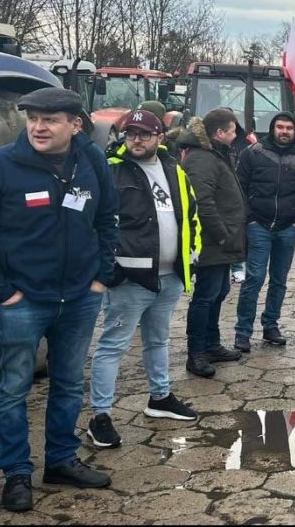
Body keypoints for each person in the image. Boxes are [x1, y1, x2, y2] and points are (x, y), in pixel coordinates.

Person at [0, 87, 120, 512]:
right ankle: (16, 472)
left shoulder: (92, 161)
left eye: (49, 119)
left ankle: (61, 460)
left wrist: (101, 277)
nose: (38, 126)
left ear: (75, 124)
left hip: (80, 298)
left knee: (68, 383)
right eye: (32, 118)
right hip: (23, 300)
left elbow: (107, 218)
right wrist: (2, 292)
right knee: (13, 387)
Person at [88, 110, 201, 450]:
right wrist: (108, 271)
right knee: (112, 346)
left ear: (159, 138)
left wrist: (191, 259)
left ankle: (160, 397)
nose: (136, 139)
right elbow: (95, 224)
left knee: (159, 339)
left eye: (144, 134)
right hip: (129, 279)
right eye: (131, 133)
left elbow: (191, 214)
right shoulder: (110, 171)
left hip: (170, 276)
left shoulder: (174, 169)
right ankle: (101, 416)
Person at [234, 112, 295, 353]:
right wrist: (248, 219)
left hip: (287, 228)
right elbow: (240, 186)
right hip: (258, 225)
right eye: (279, 127)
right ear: (272, 129)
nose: (284, 131)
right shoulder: (254, 153)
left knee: (279, 281)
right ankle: (243, 331)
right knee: (255, 278)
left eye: (288, 128)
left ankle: (271, 324)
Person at [179, 109, 246, 377]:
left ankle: (211, 343)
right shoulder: (202, 159)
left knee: (219, 293)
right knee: (205, 297)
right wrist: (221, 234)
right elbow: (202, 203)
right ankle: (196, 353)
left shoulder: (214, 154)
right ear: (219, 133)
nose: (233, 136)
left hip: (222, 241)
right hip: (210, 241)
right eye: (231, 131)